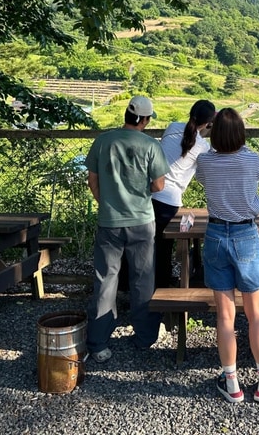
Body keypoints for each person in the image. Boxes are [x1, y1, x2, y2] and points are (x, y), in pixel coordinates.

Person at [195, 108, 259, 404]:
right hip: (246, 234)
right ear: (241, 134)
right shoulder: (251, 159)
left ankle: (231, 382)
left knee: (225, 314)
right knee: (255, 313)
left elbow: (203, 181)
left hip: (216, 234)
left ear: (213, 133)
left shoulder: (205, 161)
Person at [85, 95, 169, 362]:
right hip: (142, 222)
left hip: (109, 221)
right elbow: (158, 186)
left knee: (105, 280)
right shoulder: (150, 145)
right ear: (145, 119)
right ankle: (145, 338)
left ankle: (98, 343)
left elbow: (92, 180)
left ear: (126, 115)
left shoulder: (103, 141)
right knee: (143, 280)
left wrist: (107, 203)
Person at [152, 99, 216, 287]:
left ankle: (141, 284)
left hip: (150, 192)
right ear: (208, 123)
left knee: (149, 243)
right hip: (170, 199)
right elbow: (203, 176)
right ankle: (161, 285)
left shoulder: (172, 127)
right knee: (164, 247)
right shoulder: (203, 146)